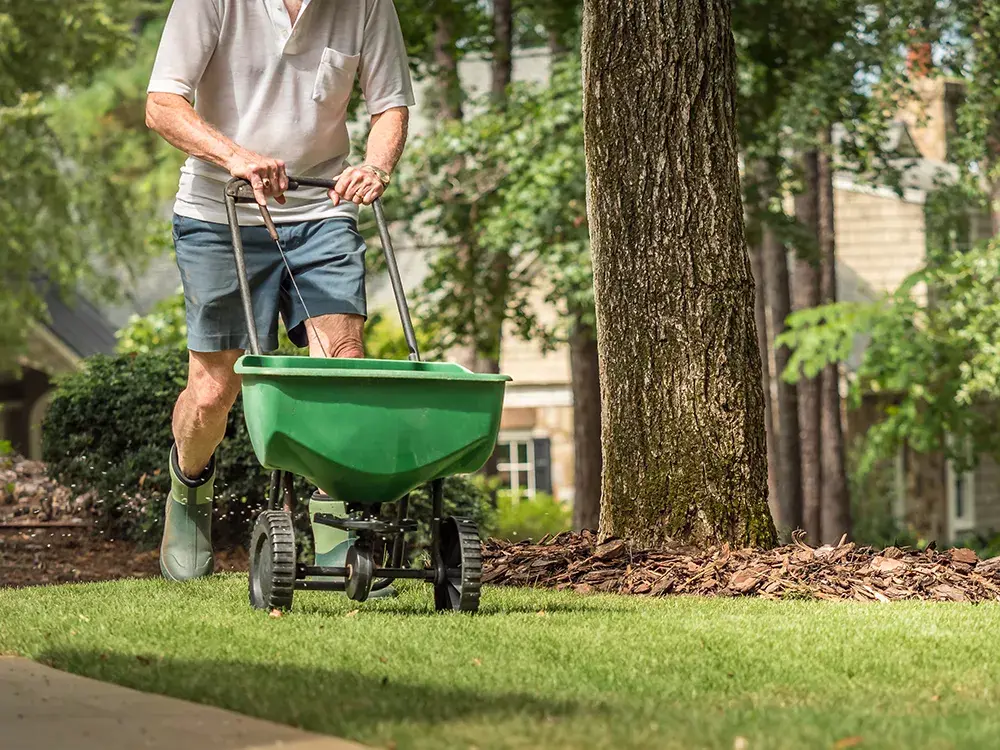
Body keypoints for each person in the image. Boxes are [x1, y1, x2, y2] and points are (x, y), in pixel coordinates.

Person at [145, 0, 414, 581]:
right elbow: (162, 106)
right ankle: (189, 488)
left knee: (340, 370)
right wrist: (236, 155)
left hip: (323, 208)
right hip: (220, 210)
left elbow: (390, 103)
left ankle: (337, 521)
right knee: (214, 389)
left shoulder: (367, 5)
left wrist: (375, 165)